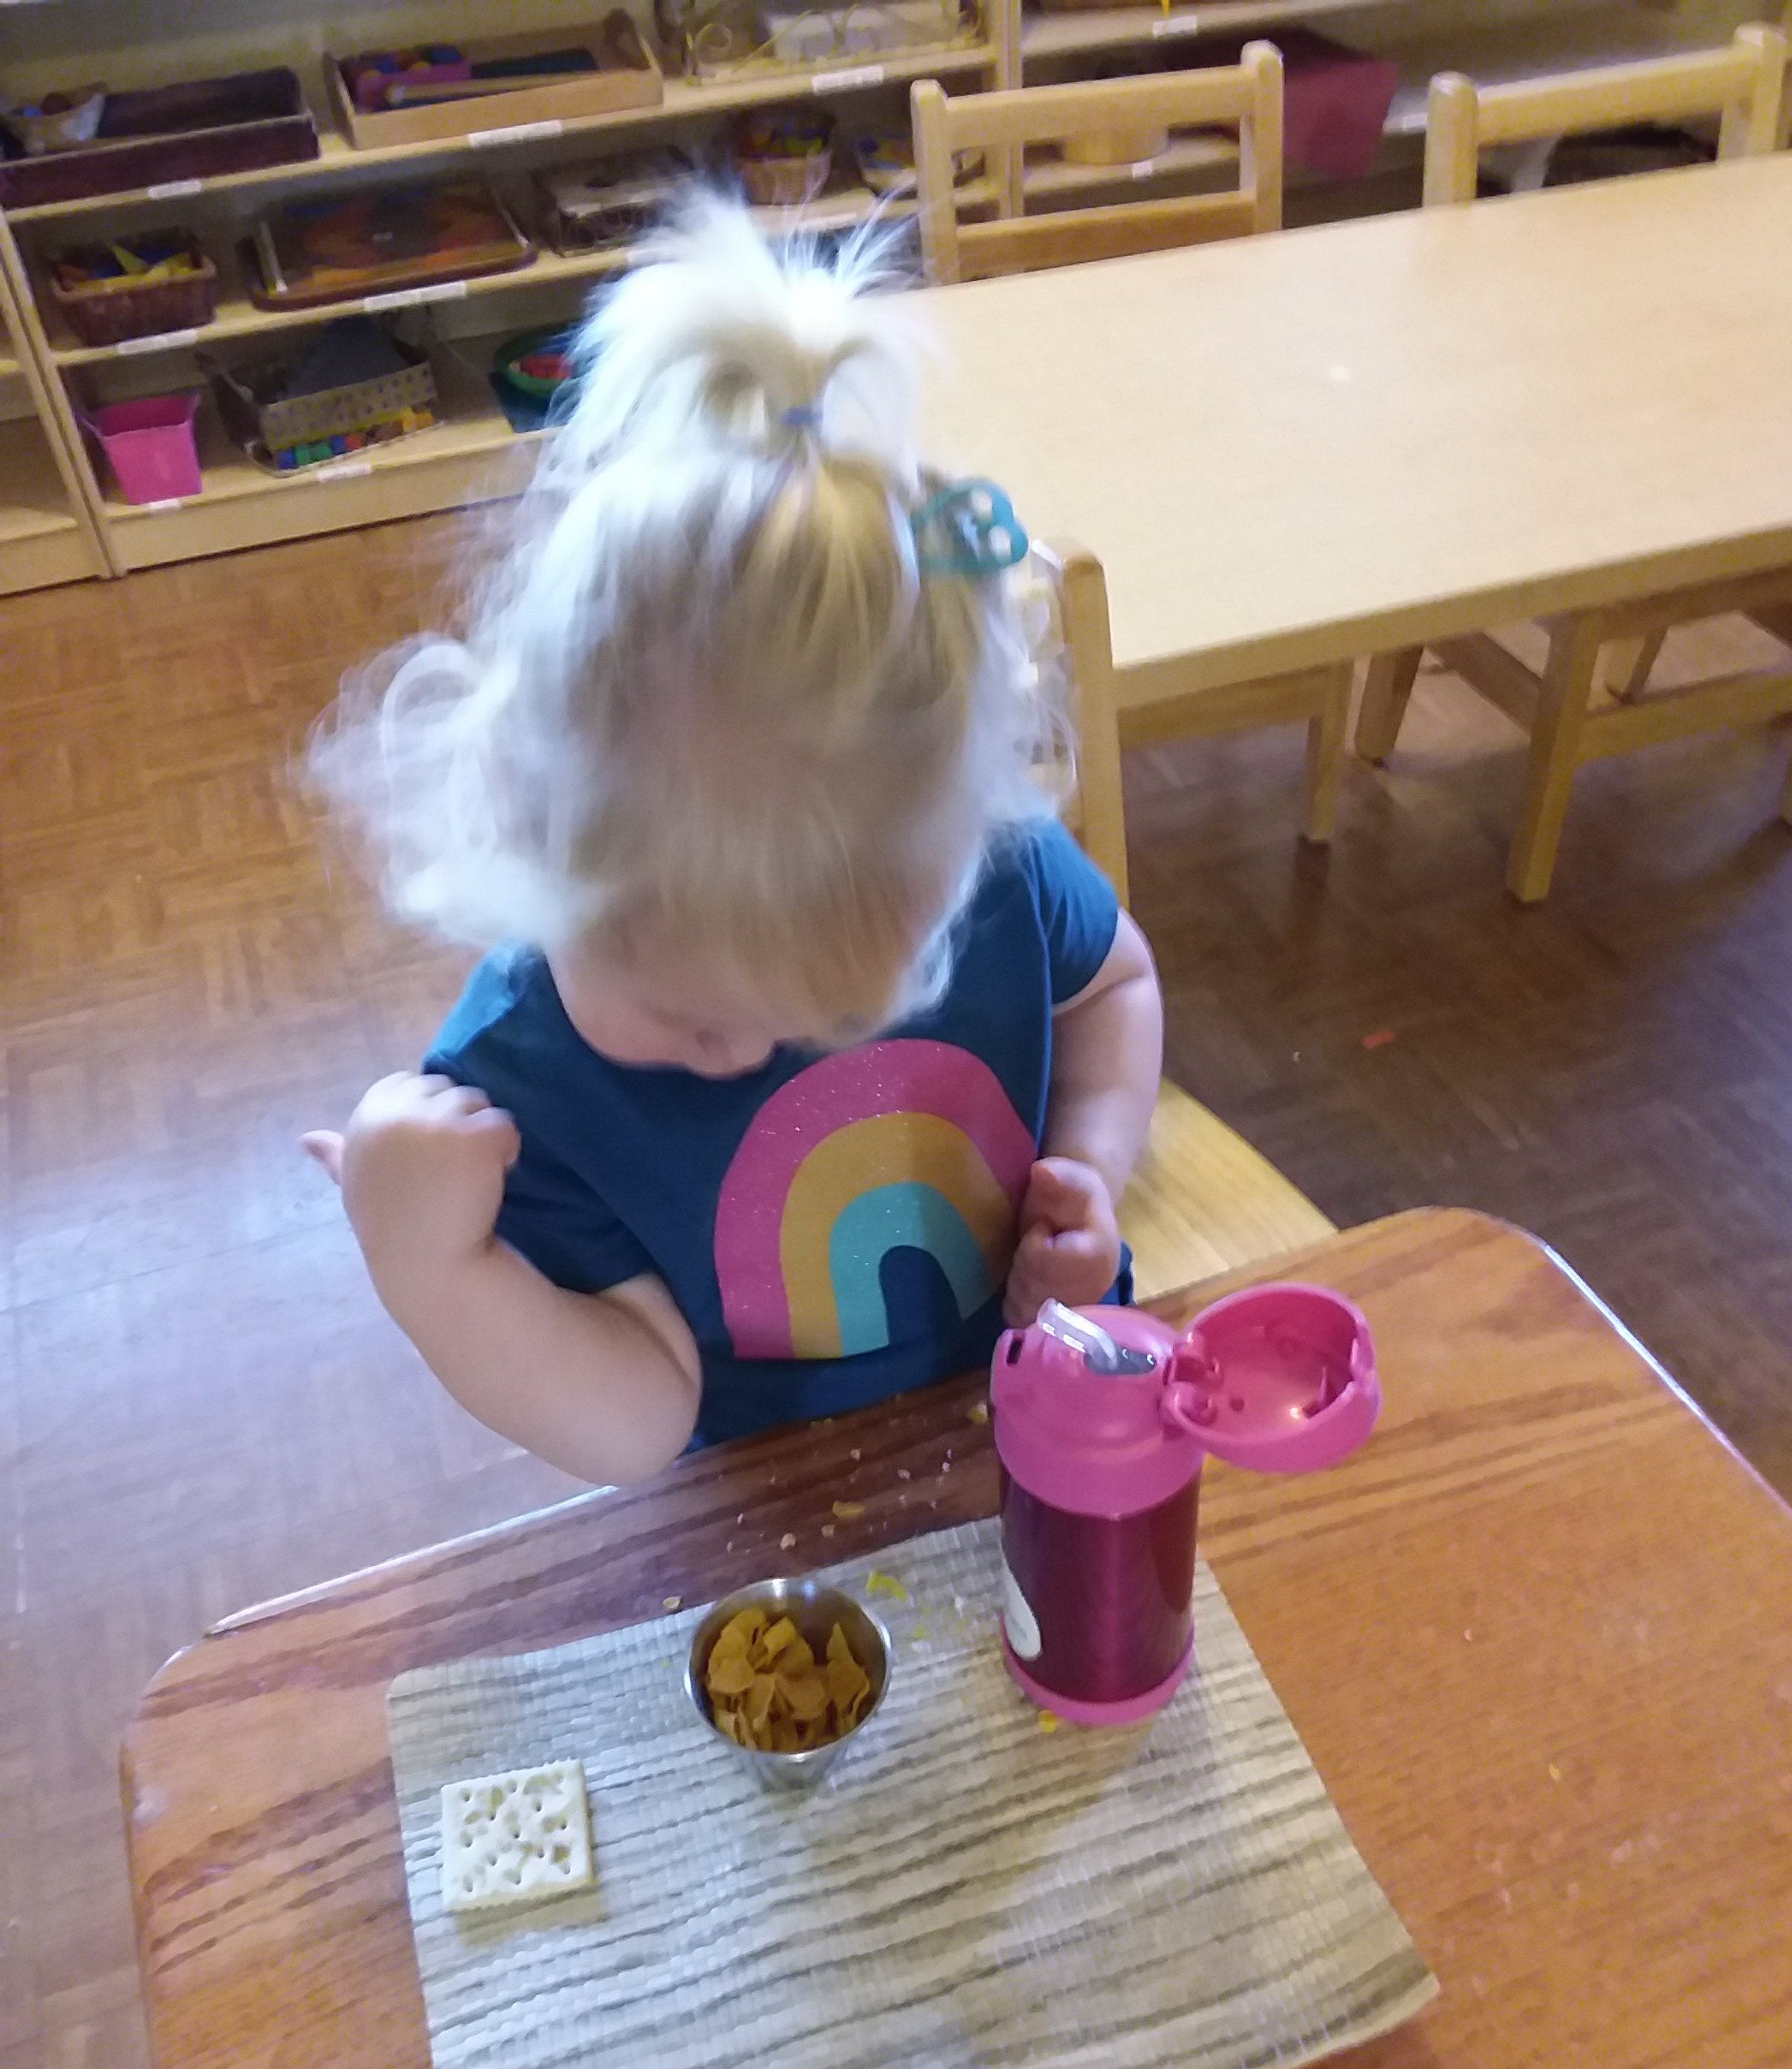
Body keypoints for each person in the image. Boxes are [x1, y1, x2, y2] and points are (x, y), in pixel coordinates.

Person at [305, 198, 1162, 1487]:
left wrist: (1091, 1159)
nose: (743, 1055)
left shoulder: (973, 860)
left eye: (828, 1009)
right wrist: (432, 1267)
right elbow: (637, 1420)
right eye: (689, 1012)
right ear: (530, 837)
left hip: (1045, 1409)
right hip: (782, 1503)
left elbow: (1114, 986)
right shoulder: (517, 1087)